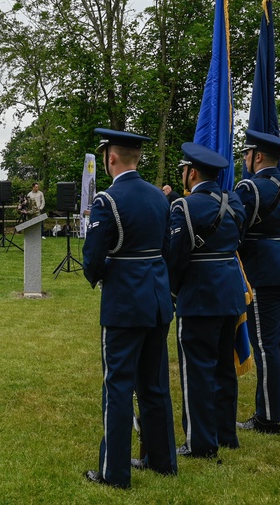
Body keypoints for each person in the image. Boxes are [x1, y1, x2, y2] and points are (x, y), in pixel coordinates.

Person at [80, 129, 176, 488]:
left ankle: (114, 472)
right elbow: (167, 248)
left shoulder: (108, 200)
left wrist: (105, 273)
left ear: (111, 157)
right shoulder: (158, 197)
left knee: (117, 386)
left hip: (124, 300)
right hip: (156, 296)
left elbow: (92, 258)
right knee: (154, 385)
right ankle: (162, 460)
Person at [169, 142, 245, 460]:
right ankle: (226, 432)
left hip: (200, 293)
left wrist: (173, 293)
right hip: (230, 288)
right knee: (224, 366)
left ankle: (200, 442)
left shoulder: (185, 208)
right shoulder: (235, 201)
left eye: (184, 170)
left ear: (192, 172)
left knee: (198, 368)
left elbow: (175, 257)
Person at [234, 130, 280, 434]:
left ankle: (267, 415)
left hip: (264, 268)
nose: (245, 160)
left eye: (247, 154)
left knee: (265, 343)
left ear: (257, 156)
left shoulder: (249, 187)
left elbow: (239, 229)